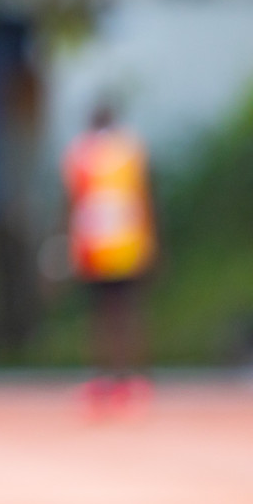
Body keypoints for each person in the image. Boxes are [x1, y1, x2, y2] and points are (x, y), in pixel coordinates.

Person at [61, 103, 155, 415]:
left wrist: (68, 243)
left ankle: (105, 379)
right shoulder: (129, 150)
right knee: (124, 314)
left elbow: (71, 203)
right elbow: (145, 197)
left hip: (96, 246)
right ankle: (124, 379)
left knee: (102, 316)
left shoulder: (80, 153)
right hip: (124, 244)